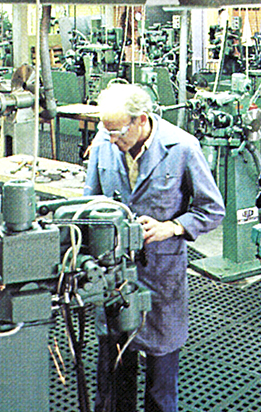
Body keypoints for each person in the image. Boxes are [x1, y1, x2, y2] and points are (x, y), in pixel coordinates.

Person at [85, 83, 225, 412]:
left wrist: (171, 227)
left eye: (118, 132)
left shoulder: (183, 148)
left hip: (161, 277)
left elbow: (213, 209)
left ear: (141, 121)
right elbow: (90, 202)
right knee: (113, 381)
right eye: (106, 131)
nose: (112, 140)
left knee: (161, 386)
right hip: (112, 277)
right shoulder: (105, 144)